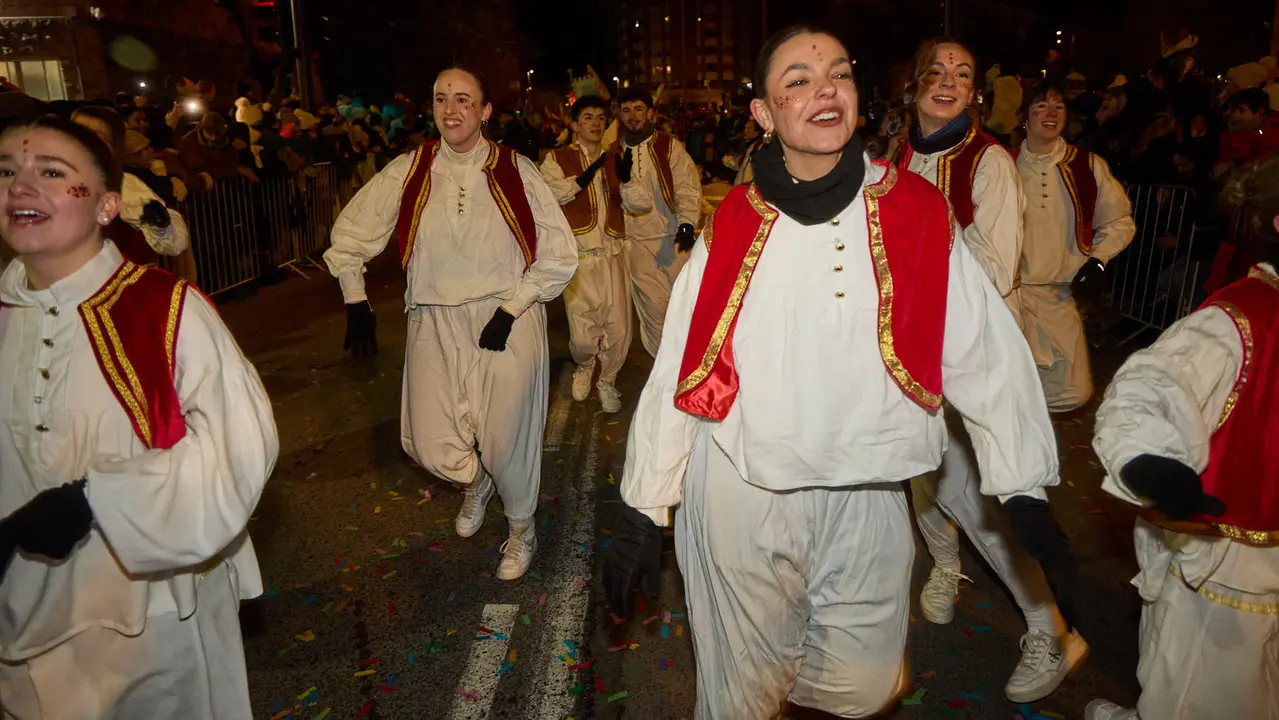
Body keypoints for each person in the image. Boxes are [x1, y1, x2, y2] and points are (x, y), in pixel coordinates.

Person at [604, 26, 1065, 718]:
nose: (824, 88)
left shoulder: (913, 210)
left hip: (866, 484)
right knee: (742, 692)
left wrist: (1023, 483)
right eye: (797, 79)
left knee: (861, 685)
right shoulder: (735, 218)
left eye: (839, 74)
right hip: (743, 484)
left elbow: (982, 350)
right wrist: (645, 501)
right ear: (764, 115)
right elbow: (682, 362)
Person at [0, 115, 276, 718]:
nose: (19, 186)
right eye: (6, 172)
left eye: (50, 172)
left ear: (105, 207)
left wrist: (99, 500)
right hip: (19, 617)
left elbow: (239, 445)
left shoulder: (166, 309)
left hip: (151, 612)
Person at [323, 67, 577, 580]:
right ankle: (475, 480)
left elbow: (559, 254)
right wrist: (356, 299)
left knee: (507, 438)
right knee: (429, 442)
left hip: (505, 318)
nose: (451, 109)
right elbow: (351, 234)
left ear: (485, 111)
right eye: (441, 99)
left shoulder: (517, 169)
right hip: (433, 320)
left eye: (464, 99)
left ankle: (521, 528)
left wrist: (512, 307)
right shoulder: (408, 168)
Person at [899, 40, 1087, 702]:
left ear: (975, 91)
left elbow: (990, 265)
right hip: (914, 347)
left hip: (976, 353)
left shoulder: (990, 163)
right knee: (919, 472)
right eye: (936, 72)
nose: (948, 82)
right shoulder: (897, 155)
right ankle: (946, 567)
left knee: (989, 499)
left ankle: (1051, 627)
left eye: (963, 74)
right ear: (913, 84)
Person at [1086, 154, 1279, 720]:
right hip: (1233, 561)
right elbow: (1152, 386)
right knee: (1201, 690)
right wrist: (1150, 460)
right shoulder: (1238, 318)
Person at [1016, 80, 1135, 412]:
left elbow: (1119, 221)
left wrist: (1098, 260)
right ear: (1024, 116)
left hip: (1059, 295)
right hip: (1010, 296)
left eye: (1059, 106)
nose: (1051, 113)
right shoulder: (1002, 165)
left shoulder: (1087, 165)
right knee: (1010, 381)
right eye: (1041, 105)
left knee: (1073, 391)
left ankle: (1024, 429)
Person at [539, 95, 630, 413]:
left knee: (618, 329)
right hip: (578, 258)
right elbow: (553, 193)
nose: (595, 123)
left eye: (600, 118)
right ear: (575, 125)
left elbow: (637, 202)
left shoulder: (617, 157)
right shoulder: (557, 158)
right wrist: (587, 174)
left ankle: (607, 381)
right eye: (588, 117)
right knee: (581, 335)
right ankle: (585, 365)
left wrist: (628, 179)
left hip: (613, 254)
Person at [612, 86, 702, 357]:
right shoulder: (612, 153)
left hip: (674, 241)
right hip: (637, 245)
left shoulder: (668, 146)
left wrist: (687, 223)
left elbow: (687, 186)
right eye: (626, 111)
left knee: (685, 308)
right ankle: (665, 373)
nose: (632, 116)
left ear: (650, 113)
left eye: (638, 109)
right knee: (655, 310)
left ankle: (688, 369)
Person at [71, 106, 189, 269]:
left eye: (99, 137)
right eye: (80, 133)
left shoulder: (124, 184)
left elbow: (172, 243)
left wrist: (157, 221)